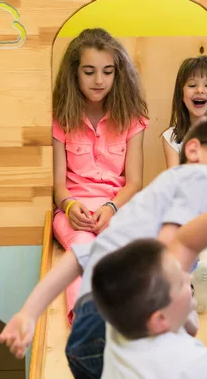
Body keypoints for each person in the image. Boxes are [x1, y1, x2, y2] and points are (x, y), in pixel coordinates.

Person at [0, 114, 207, 379]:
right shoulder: (201, 178)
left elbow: (79, 257)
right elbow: (172, 249)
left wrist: (29, 313)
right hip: (118, 317)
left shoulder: (140, 216)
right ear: (193, 149)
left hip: (89, 328)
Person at [51, 28, 148, 324]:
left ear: (118, 75)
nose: (99, 80)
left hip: (116, 207)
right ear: (75, 73)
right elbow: (58, 184)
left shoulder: (133, 119)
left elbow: (134, 182)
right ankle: (85, 321)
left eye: (107, 72)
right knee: (82, 250)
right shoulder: (60, 118)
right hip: (74, 210)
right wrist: (68, 206)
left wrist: (112, 207)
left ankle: (128, 318)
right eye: (89, 71)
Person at [92, 238, 207, 379]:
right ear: (160, 319)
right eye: (180, 282)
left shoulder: (118, 326)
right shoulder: (193, 362)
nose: (189, 277)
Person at [162, 55, 207, 313]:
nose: (199, 90)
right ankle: (185, 285)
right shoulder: (171, 137)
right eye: (192, 85)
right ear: (181, 94)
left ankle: (206, 278)